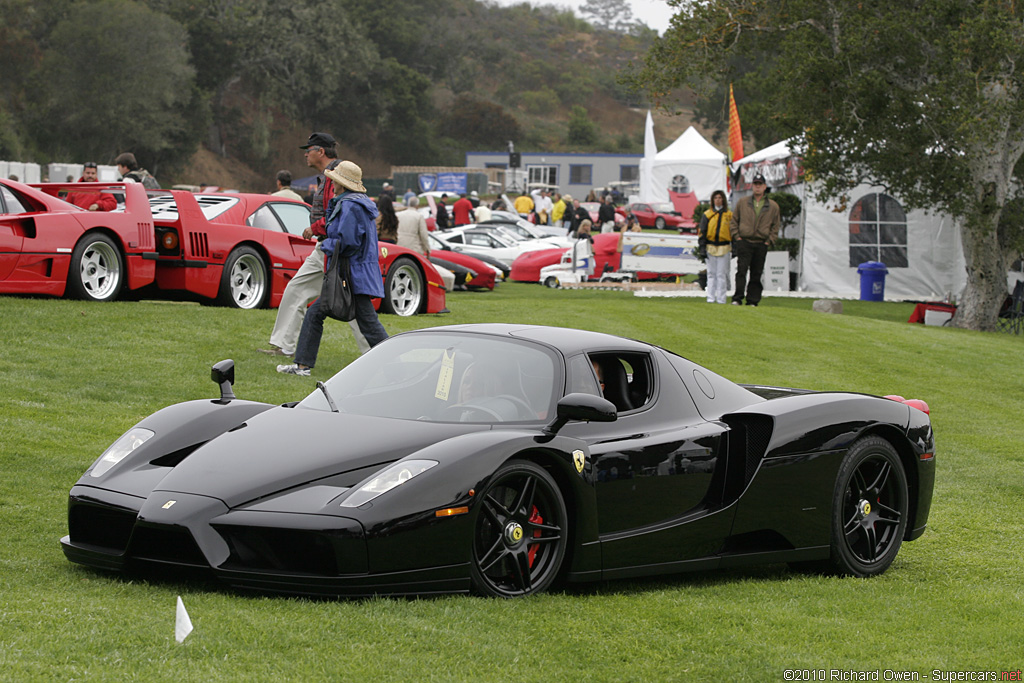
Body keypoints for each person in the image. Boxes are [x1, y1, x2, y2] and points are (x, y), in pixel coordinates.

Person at [259, 132, 368, 358]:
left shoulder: (336, 176)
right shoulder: (330, 175)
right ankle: (285, 346)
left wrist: (315, 227)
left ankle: (374, 350)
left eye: (308, 150)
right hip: (328, 246)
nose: (305, 155)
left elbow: (339, 212)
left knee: (349, 301)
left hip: (334, 247)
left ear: (321, 152)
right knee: (303, 290)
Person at [279, 160, 388, 376]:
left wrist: (326, 245)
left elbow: (347, 242)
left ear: (342, 183)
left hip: (351, 274)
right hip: (355, 274)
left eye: (334, 179)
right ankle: (302, 365)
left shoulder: (349, 206)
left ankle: (393, 365)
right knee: (317, 313)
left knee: (370, 326)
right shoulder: (357, 203)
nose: (331, 181)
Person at [731, 174, 780, 306]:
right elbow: (734, 220)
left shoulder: (773, 206)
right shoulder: (743, 202)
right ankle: (737, 298)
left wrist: (769, 240)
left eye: (760, 184)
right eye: (755, 184)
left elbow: (776, 225)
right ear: (752, 186)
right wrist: (737, 236)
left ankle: (752, 300)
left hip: (761, 242)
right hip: (744, 241)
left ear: (764, 187)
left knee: (756, 272)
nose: (757, 187)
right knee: (741, 270)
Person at [698, 189, 733, 304]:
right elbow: (702, 232)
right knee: (711, 274)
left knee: (721, 274)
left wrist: (735, 248)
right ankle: (710, 297)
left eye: (720, 198)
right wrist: (702, 248)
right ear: (713, 200)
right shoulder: (707, 215)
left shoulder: (729, 215)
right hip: (710, 247)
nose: (718, 200)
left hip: (724, 247)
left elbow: (733, 232)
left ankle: (722, 298)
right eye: (716, 198)